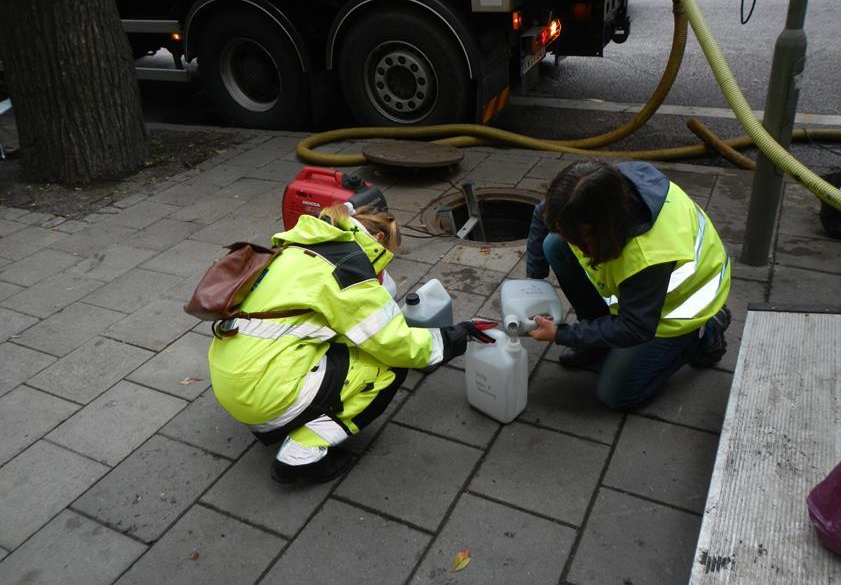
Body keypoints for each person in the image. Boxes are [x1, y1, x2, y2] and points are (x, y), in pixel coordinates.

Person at [208, 203, 494, 484]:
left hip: (232, 374)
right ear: (379, 240)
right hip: (261, 393)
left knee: (355, 349)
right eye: (390, 254)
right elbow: (398, 346)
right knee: (389, 369)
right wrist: (455, 336)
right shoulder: (347, 268)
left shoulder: (302, 246)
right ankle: (300, 456)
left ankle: (293, 411)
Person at [526, 160, 731, 410]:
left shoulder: (647, 256)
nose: (568, 236)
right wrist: (533, 283)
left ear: (602, 229)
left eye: (578, 236)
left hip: (678, 311)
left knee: (615, 394)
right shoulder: (590, 194)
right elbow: (541, 214)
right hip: (641, 297)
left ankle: (702, 335)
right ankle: (596, 340)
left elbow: (635, 327)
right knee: (554, 245)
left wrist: (562, 334)